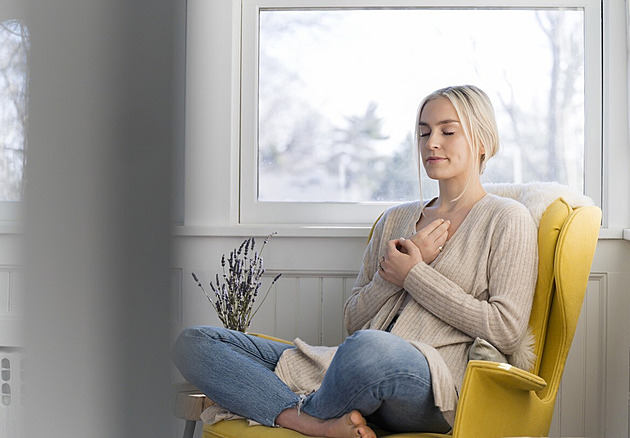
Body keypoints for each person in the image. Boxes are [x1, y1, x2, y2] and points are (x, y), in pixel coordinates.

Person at [172, 85, 538, 438]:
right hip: (349, 365)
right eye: (424, 132)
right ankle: (313, 424)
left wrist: (413, 274)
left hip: (432, 385)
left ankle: (298, 410)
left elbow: (505, 327)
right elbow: (353, 319)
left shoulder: (508, 219)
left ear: (483, 142)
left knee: (369, 348)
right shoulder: (395, 219)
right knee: (195, 342)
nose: (432, 143)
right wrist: (389, 279)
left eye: (448, 131)